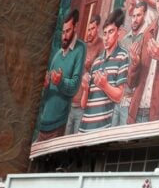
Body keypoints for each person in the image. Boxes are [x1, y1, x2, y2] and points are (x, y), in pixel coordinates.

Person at [35, 10, 87, 141]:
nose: (64, 36)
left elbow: (74, 86)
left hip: (58, 125)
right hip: (43, 124)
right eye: (63, 32)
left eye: (68, 31)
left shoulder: (80, 48)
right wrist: (45, 86)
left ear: (75, 27)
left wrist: (60, 81)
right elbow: (45, 94)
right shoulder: (57, 55)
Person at [79, 9, 129, 132]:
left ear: (119, 32)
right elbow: (83, 105)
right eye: (105, 33)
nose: (106, 38)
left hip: (101, 130)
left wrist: (105, 85)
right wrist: (85, 89)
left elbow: (119, 96)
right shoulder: (96, 62)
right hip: (83, 129)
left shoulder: (123, 56)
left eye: (111, 32)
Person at [66, 13, 103, 134]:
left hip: (86, 102)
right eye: (88, 29)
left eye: (92, 29)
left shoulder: (102, 46)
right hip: (73, 99)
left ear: (98, 28)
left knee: (78, 136)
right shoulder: (83, 45)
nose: (90, 32)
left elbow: (101, 72)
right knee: (67, 134)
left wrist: (89, 67)